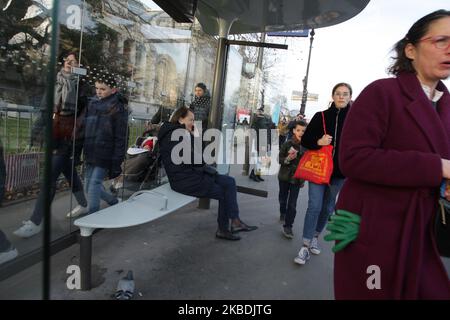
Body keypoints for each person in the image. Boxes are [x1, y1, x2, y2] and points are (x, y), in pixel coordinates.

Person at [332, 10, 450, 299]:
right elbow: (354, 158)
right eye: (441, 40)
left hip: (424, 232)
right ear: (410, 49)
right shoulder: (382, 93)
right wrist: (437, 167)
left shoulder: (447, 105)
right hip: (376, 229)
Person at [13, 52, 90, 238]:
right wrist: (33, 136)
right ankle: (84, 205)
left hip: (68, 140)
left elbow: (84, 120)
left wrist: (76, 144)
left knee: (49, 179)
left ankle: (35, 221)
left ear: (80, 66)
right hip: (53, 136)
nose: (68, 64)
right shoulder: (55, 83)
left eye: (73, 62)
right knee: (68, 173)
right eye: (67, 60)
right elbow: (44, 111)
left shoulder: (82, 88)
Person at [157, 106, 258, 240]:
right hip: (184, 180)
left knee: (230, 182)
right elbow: (193, 158)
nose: (193, 123)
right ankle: (224, 229)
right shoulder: (175, 135)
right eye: (190, 120)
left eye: (193, 120)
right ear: (181, 119)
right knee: (223, 193)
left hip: (192, 174)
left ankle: (235, 221)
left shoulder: (180, 133)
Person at [293, 82, 352, 265]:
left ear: (350, 97)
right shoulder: (321, 116)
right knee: (314, 206)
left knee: (327, 208)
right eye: (338, 93)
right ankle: (304, 246)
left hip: (340, 173)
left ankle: (315, 236)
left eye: (345, 94)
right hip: (319, 169)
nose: (341, 96)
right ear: (333, 96)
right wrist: (319, 141)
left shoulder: (355, 119)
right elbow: (307, 140)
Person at [83, 75, 128, 214]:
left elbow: (121, 137)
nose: (98, 91)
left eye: (103, 89)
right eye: (96, 88)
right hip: (91, 149)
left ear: (113, 90)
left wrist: (117, 159)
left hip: (105, 152)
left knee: (94, 185)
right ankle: (113, 201)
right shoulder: (93, 104)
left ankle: (93, 218)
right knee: (87, 186)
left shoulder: (118, 108)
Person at [278, 120, 307, 238]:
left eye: (303, 131)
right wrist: (288, 158)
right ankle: (282, 212)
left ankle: (288, 226)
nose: (301, 133)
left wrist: (303, 180)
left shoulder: (306, 147)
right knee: (283, 199)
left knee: (292, 204)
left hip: (297, 179)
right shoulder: (287, 143)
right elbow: (279, 159)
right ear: (294, 130)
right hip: (284, 177)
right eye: (298, 130)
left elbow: (307, 165)